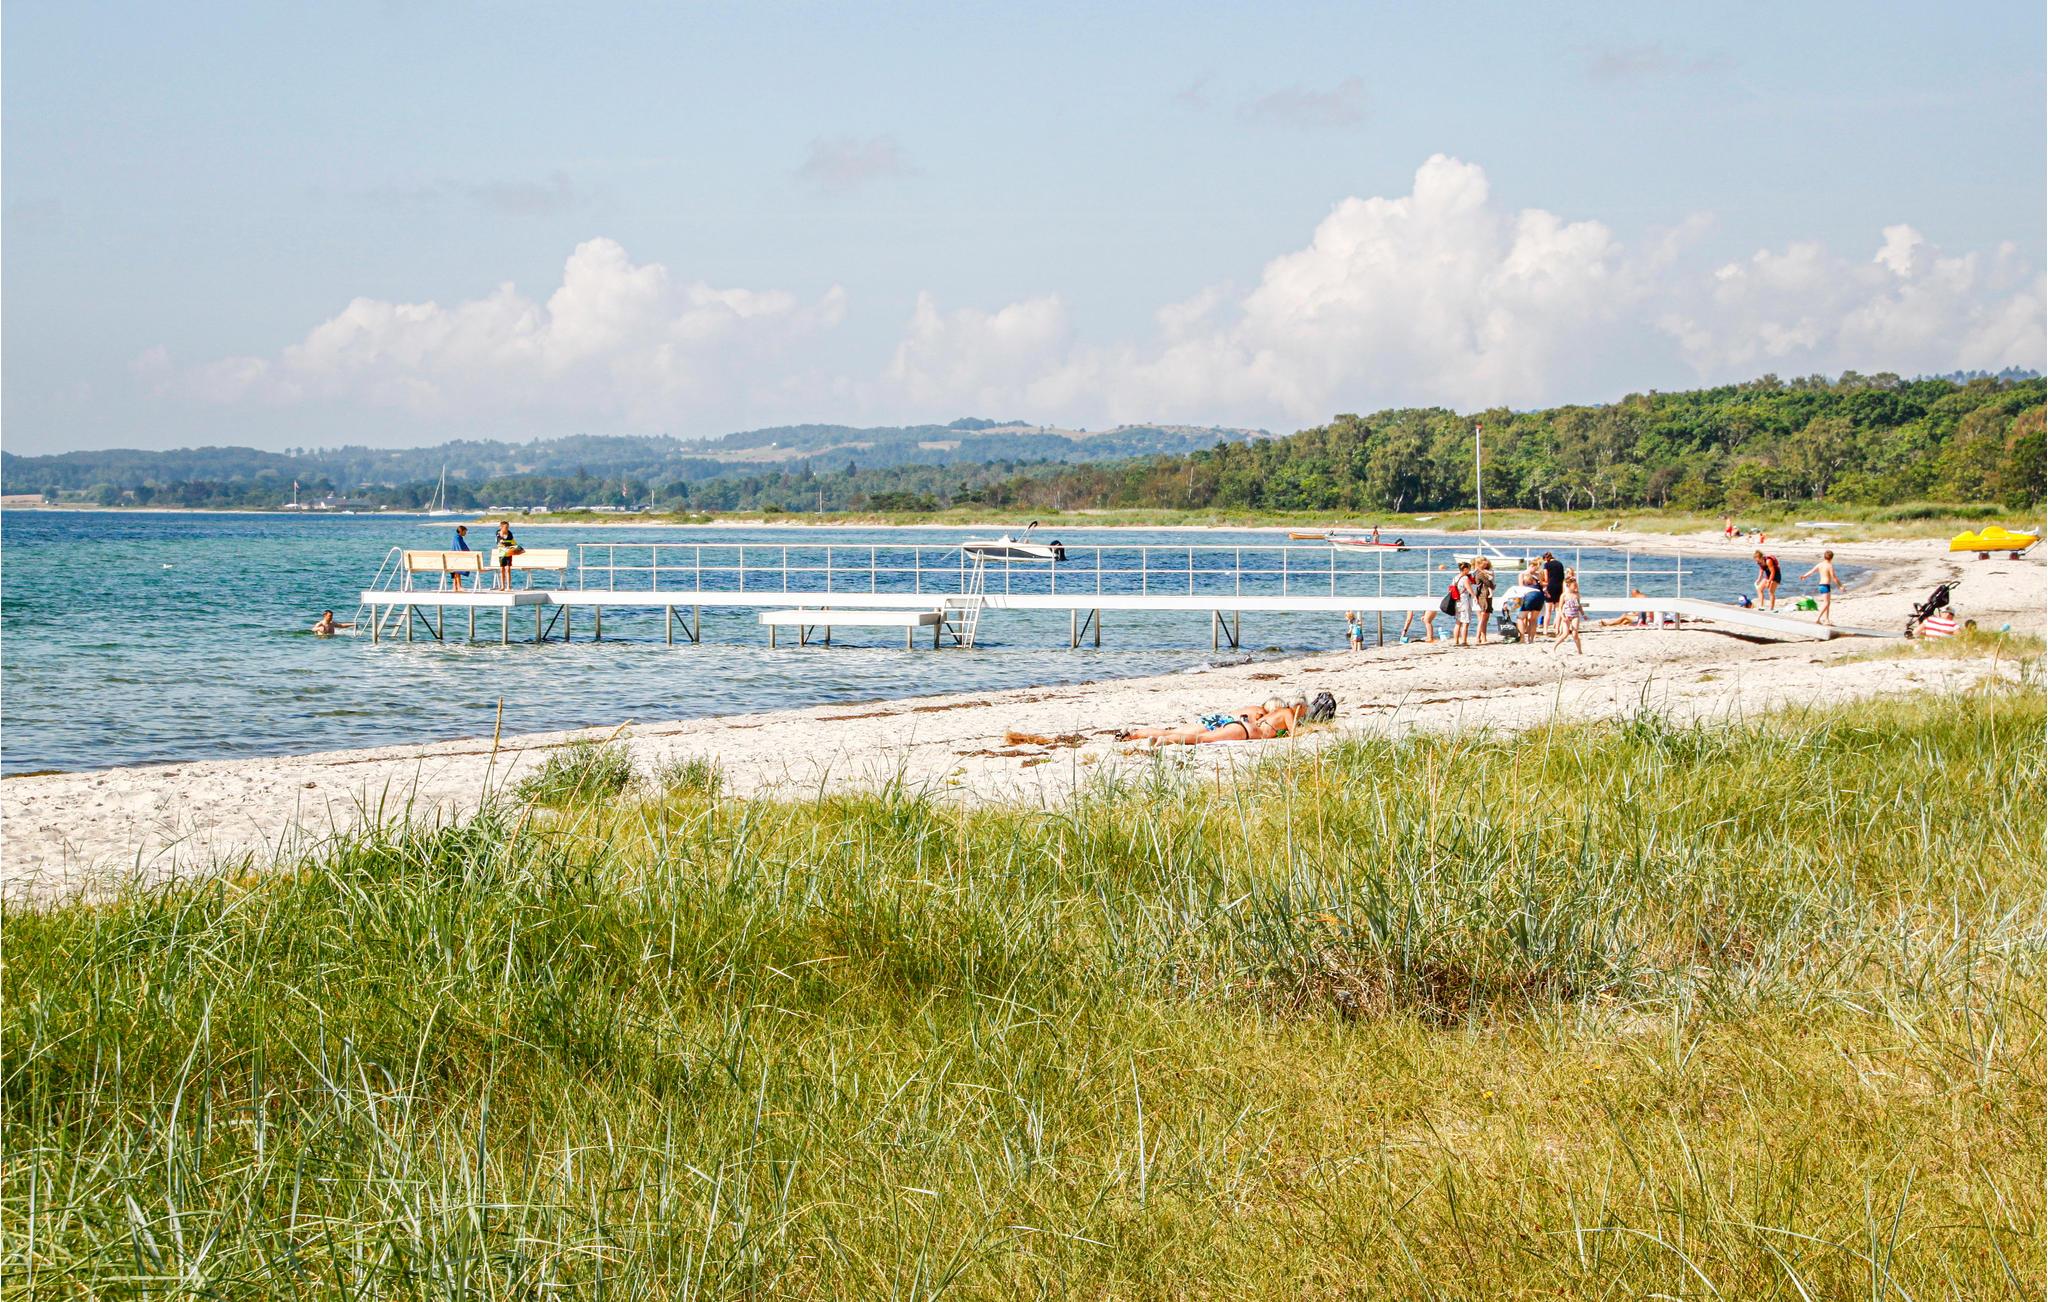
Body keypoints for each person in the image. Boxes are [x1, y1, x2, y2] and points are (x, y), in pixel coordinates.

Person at [1119, 698, 1309, 747]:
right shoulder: (1272, 713)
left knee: (1177, 730)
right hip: (1238, 728)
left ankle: (1135, 733)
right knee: (1201, 739)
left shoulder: (1262, 713)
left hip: (1224, 719)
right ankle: (1166, 741)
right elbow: (1294, 734)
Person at [1550, 570, 1585, 654]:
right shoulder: (1564, 595)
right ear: (1568, 585)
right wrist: (1563, 617)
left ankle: (1579, 651)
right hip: (1566, 616)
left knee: (1575, 634)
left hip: (1575, 615)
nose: (1575, 587)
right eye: (1574, 585)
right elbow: (1560, 608)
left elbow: (1579, 605)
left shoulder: (1577, 594)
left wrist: (1583, 614)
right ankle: (1554, 647)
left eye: (1576, 585)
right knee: (1565, 634)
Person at [1800, 550, 1838, 625]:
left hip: (1821, 585)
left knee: (1827, 603)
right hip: (1826, 585)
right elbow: (1834, 577)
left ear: (1824, 557)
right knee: (1826, 603)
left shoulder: (1820, 564)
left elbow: (1811, 571)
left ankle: (1826, 619)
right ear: (1832, 558)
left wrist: (1804, 576)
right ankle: (1818, 619)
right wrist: (1840, 585)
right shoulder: (1829, 565)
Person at [1451, 561, 1477, 647]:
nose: (1469, 571)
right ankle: (1464, 641)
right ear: (1465, 569)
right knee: (1465, 621)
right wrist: (1474, 596)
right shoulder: (1465, 578)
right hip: (1464, 600)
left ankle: (1456, 641)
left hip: (1457, 601)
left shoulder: (1455, 577)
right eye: (1469, 569)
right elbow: (1469, 589)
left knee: (1458, 622)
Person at [1472, 558, 1496, 646]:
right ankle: (1479, 638)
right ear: (1479, 564)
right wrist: (1493, 586)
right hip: (1483, 596)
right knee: (1483, 619)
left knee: (1483, 619)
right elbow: (1489, 584)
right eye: (1484, 564)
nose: (1485, 566)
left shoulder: (1478, 572)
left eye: (1486, 565)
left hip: (1483, 595)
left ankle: (1482, 638)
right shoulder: (1480, 573)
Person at [493, 520, 522, 591]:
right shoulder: (498, 532)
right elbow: (499, 541)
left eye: (508, 527)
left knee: (508, 569)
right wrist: (504, 543)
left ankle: (508, 586)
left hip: (508, 552)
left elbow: (511, 543)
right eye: (506, 527)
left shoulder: (510, 533)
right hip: (501, 553)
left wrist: (505, 543)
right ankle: (502, 586)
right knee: (502, 569)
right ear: (501, 527)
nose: (507, 528)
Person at [1540, 552, 1566, 631]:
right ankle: (1557, 629)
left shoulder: (1547, 565)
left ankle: (1545, 630)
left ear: (1546, 558)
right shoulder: (1560, 564)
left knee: (1548, 611)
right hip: (1559, 587)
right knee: (1558, 610)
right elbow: (1562, 577)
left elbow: (1546, 578)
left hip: (1550, 587)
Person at [449, 523, 473, 591]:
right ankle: (459, 586)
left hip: (453, 558)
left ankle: (455, 586)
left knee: (456, 570)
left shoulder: (456, 537)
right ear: (461, 531)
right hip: (457, 557)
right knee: (458, 569)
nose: (465, 533)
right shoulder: (458, 538)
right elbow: (461, 548)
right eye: (465, 531)